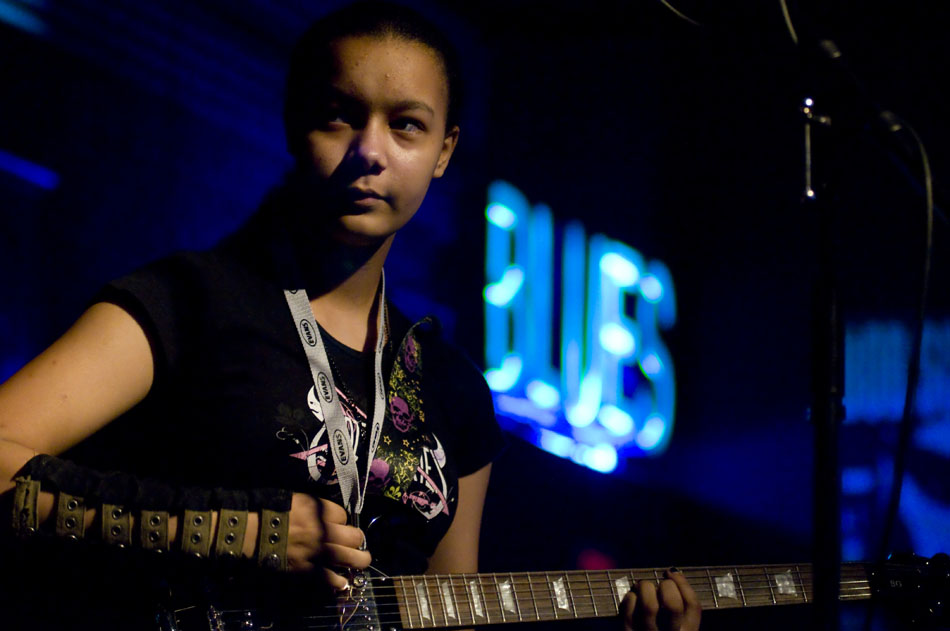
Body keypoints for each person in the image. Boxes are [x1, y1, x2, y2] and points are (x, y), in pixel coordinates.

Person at [0, 2, 700, 630]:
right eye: (340, 114)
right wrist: (247, 532)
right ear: (292, 124)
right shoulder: (190, 300)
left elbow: (448, 611)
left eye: (406, 125)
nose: (369, 151)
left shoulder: (454, 393)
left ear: (444, 151)